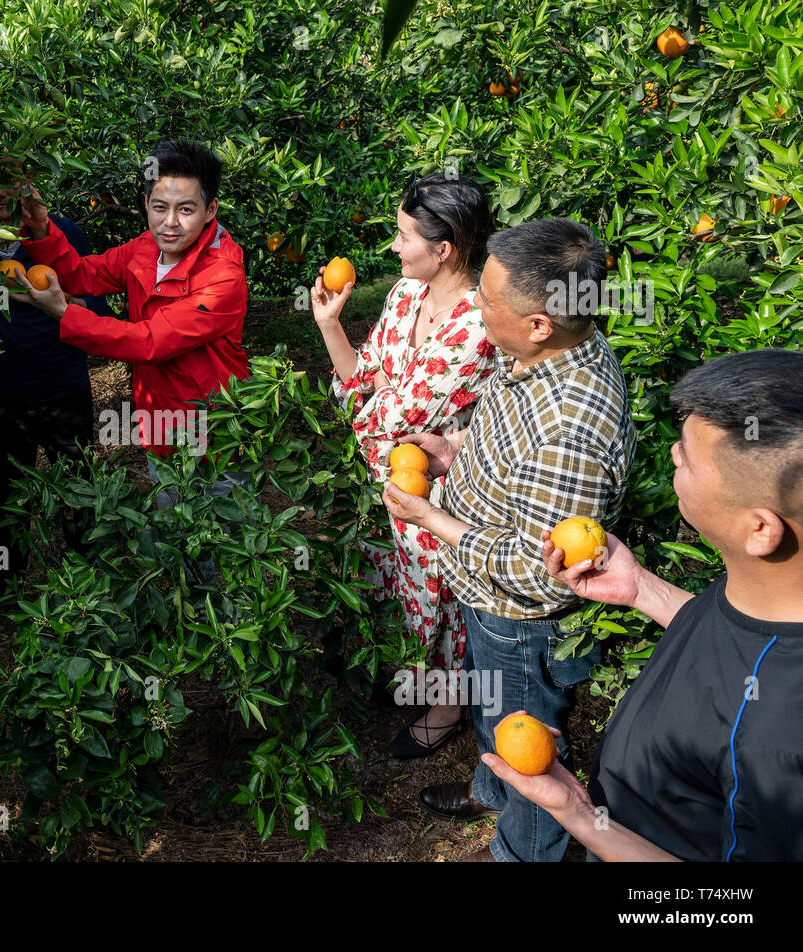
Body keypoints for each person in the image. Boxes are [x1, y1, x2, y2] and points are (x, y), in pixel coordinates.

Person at [483, 349, 803, 861]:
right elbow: (736, 652)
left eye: (690, 459)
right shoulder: (769, 593)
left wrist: (578, 816)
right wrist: (639, 588)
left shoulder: (779, 739)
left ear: (760, 529)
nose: (675, 455)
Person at [383, 216, 636, 862]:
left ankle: (523, 849)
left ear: (538, 323)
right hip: (485, 594)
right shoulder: (543, 353)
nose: (477, 308)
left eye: (489, 303)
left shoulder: (571, 429)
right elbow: (508, 429)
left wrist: (433, 519)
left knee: (529, 749)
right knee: (496, 721)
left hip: (519, 619)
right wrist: (454, 448)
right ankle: (491, 792)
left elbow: (535, 568)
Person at [311, 172, 497, 757]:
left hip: (438, 488)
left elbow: (388, 412)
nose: (393, 246)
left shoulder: (477, 325)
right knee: (390, 575)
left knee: (440, 592)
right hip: (387, 472)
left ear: (444, 250)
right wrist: (329, 325)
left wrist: (369, 403)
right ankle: (399, 669)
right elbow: (362, 379)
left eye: (403, 235)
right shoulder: (403, 294)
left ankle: (447, 706)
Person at [11, 139, 250, 580]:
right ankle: (186, 628)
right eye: (159, 207)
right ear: (145, 204)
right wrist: (43, 231)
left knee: (226, 548)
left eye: (186, 210)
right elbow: (83, 273)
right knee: (177, 540)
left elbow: (148, 341)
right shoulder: (144, 248)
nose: (170, 223)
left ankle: (230, 633)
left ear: (211, 210)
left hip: (216, 433)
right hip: (161, 424)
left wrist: (65, 313)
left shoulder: (223, 277)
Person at [0, 157, 112, 616]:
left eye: (11, 182)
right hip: (0, 393)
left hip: (62, 388)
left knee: (78, 489)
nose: (2, 194)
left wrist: (60, 303)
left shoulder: (62, 234)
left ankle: (88, 579)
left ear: (29, 184)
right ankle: (1, 588)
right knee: (3, 501)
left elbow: (97, 308)